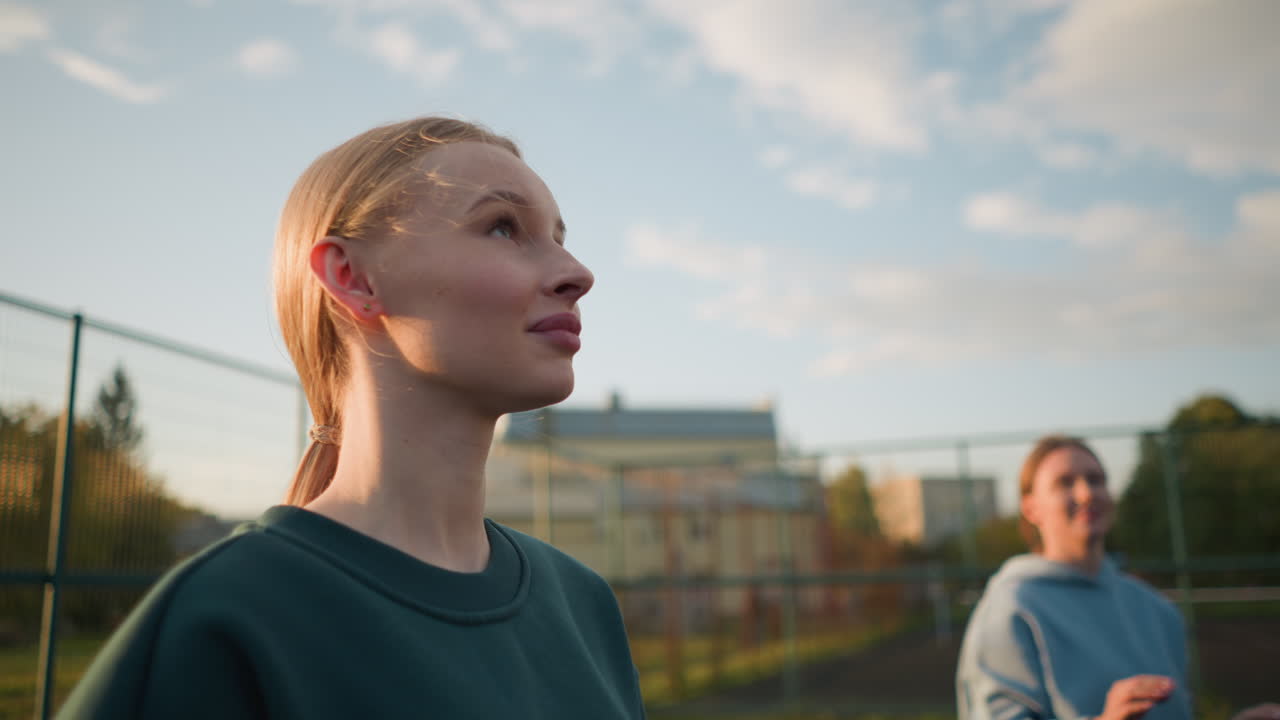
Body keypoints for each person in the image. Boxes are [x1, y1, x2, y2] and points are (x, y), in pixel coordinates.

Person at [59, 117, 646, 719]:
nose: (579, 273)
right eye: (503, 226)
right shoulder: (224, 618)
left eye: (558, 236)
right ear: (352, 277)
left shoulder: (583, 605)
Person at [956, 435, 1280, 720]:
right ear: (1031, 509)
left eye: (1096, 480)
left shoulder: (1156, 608)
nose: (1086, 493)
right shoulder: (1010, 608)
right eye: (1065, 482)